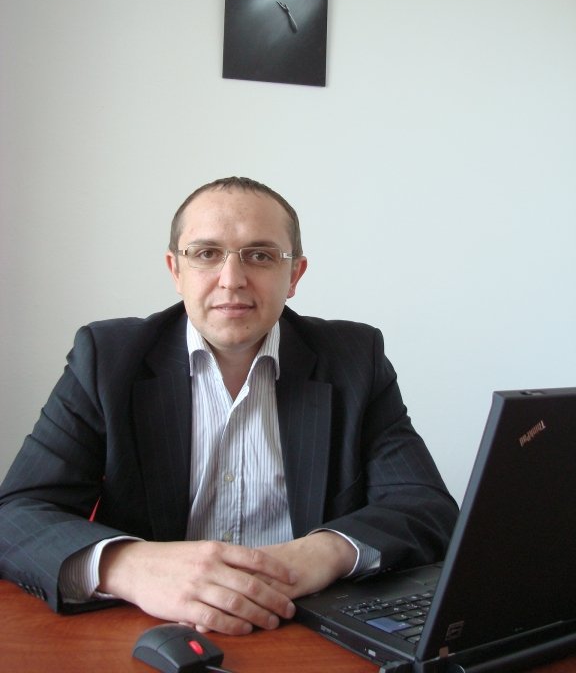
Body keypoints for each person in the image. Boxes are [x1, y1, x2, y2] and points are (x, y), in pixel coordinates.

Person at [0, 176, 458, 636]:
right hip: (150, 631)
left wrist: (321, 553)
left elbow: (425, 507)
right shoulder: (107, 359)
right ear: (175, 270)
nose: (232, 279)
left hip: (304, 628)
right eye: (206, 254)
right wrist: (131, 566)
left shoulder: (354, 359)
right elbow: (16, 514)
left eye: (260, 256)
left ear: (294, 275)